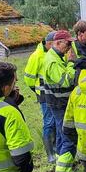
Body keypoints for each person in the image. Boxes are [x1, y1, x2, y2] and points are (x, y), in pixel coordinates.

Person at [43, 30, 77, 172]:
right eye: (67, 43)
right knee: (69, 141)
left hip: (58, 105)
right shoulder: (52, 61)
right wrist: (71, 63)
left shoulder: (55, 57)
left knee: (63, 139)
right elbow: (66, 80)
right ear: (57, 43)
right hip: (60, 106)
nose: (70, 47)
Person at [23, 31, 57, 163]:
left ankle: (56, 148)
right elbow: (29, 78)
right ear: (48, 43)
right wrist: (37, 90)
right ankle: (50, 153)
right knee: (48, 122)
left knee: (55, 121)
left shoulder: (55, 54)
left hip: (56, 94)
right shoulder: (37, 56)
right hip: (44, 94)